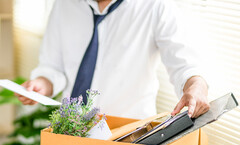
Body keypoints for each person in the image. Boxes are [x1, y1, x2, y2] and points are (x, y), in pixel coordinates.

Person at [16, 0, 210, 119]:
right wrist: (43, 84)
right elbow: (52, 66)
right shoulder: (63, 4)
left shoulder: (156, 5)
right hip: (72, 129)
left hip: (128, 134)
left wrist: (196, 87)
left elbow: (184, 63)